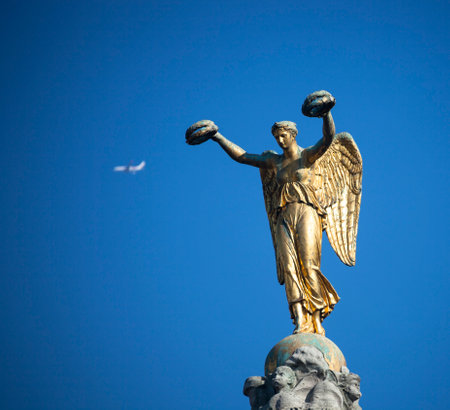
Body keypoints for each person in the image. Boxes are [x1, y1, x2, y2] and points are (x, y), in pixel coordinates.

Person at [207, 111, 339, 335]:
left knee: (309, 265)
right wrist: (217, 136)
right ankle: (299, 319)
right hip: (283, 215)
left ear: (293, 135)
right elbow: (242, 156)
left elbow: (328, 138)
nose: (279, 140)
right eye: (277, 137)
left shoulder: (307, 156)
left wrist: (326, 114)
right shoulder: (273, 161)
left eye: (283, 136)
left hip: (307, 211)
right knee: (289, 268)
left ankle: (316, 319)